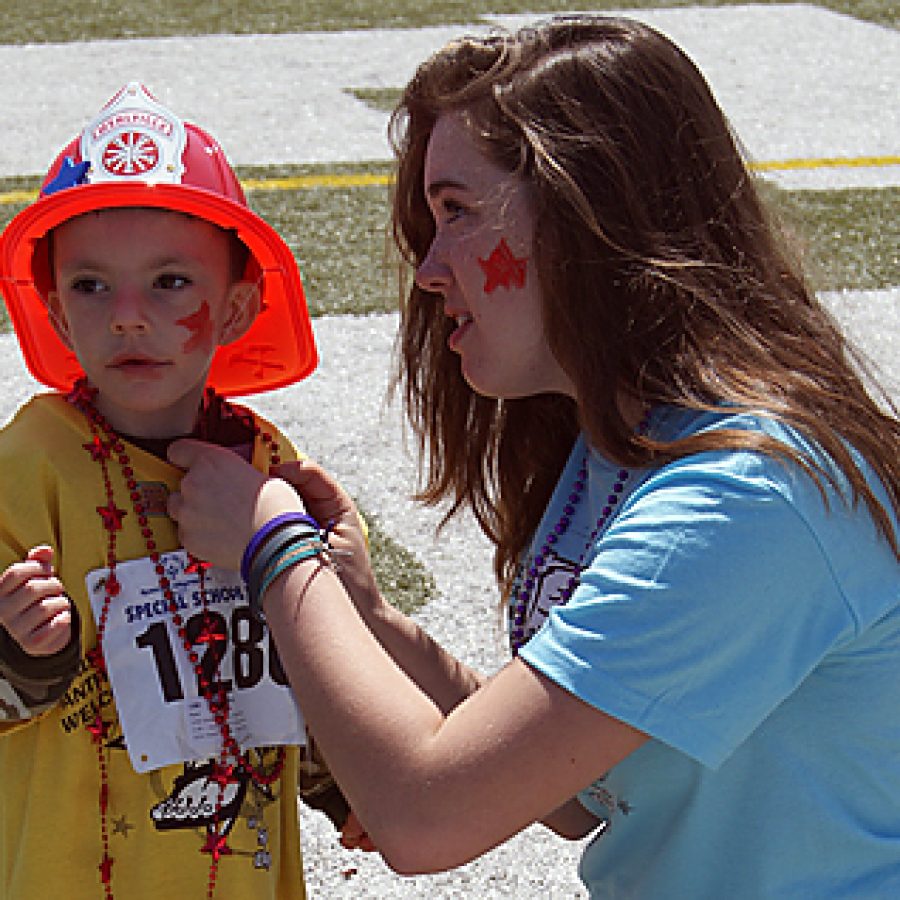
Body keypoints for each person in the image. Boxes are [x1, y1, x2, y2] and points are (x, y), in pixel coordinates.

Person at [167, 15, 900, 899]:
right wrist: (369, 618)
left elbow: (426, 815)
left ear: (588, 215)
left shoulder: (742, 496)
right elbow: (577, 793)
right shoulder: (630, 448)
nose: (430, 268)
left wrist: (271, 549)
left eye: (457, 212)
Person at [0, 82, 350, 898]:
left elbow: (302, 665)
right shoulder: (25, 466)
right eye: (90, 286)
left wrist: (339, 785)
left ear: (234, 308)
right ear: (53, 312)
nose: (127, 315)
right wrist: (19, 654)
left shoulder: (265, 464)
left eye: (169, 283)